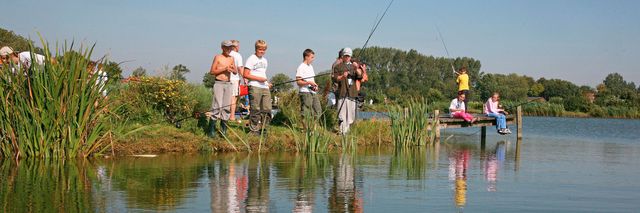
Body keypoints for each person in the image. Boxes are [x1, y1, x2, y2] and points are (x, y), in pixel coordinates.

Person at [207, 40, 237, 137]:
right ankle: (211, 131)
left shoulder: (232, 58)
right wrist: (224, 69)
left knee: (226, 107)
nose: (229, 49)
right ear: (222, 47)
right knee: (216, 106)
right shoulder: (218, 57)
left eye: (231, 48)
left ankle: (223, 130)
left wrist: (232, 69)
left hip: (228, 84)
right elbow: (212, 71)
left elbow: (236, 72)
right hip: (219, 83)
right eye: (227, 47)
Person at [243, 40, 272, 135]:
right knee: (255, 109)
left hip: (264, 87)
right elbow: (245, 74)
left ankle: (264, 129)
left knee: (267, 109)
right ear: (256, 49)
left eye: (264, 50)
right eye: (260, 49)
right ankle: (254, 129)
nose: (262, 51)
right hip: (254, 86)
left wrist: (267, 83)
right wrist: (259, 79)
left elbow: (263, 74)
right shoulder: (251, 59)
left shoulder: (265, 60)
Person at [332, 47, 362, 134]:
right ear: (342, 56)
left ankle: (347, 130)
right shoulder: (338, 67)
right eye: (345, 55)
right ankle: (342, 131)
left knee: (351, 113)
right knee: (342, 112)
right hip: (342, 92)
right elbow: (335, 78)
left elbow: (360, 76)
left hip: (352, 93)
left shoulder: (354, 66)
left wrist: (356, 69)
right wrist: (342, 76)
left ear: (351, 56)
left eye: (348, 56)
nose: (347, 57)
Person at [296, 49, 321, 127]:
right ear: (306, 57)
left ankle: (313, 128)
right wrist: (308, 83)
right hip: (305, 92)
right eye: (312, 57)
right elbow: (298, 82)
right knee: (306, 112)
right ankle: (306, 129)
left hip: (313, 92)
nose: (313, 59)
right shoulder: (301, 67)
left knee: (318, 111)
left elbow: (312, 80)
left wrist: (315, 86)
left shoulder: (311, 67)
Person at [229, 40, 244, 122]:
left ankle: (224, 115)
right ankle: (232, 116)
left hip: (226, 79)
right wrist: (245, 78)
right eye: (238, 46)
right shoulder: (238, 55)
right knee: (233, 98)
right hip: (234, 78)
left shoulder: (226, 54)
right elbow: (240, 68)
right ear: (235, 47)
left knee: (226, 97)